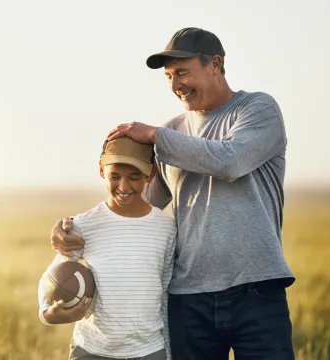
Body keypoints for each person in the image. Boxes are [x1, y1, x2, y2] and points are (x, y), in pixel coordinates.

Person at [51, 27, 296, 360]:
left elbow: (230, 161)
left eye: (183, 72)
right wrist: (74, 229)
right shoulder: (172, 131)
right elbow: (140, 203)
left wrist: (154, 135)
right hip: (188, 298)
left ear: (215, 65)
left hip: (256, 291)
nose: (176, 84)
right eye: (169, 76)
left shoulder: (257, 109)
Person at [38, 137, 177, 360]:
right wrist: (48, 313)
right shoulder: (83, 225)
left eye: (134, 177)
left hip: (149, 350)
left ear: (150, 175)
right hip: (92, 350)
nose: (123, 186)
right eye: (115, 176)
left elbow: (164, 294)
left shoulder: (166, 229)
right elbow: (52, 276)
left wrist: (167, 353)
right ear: (102, 170)